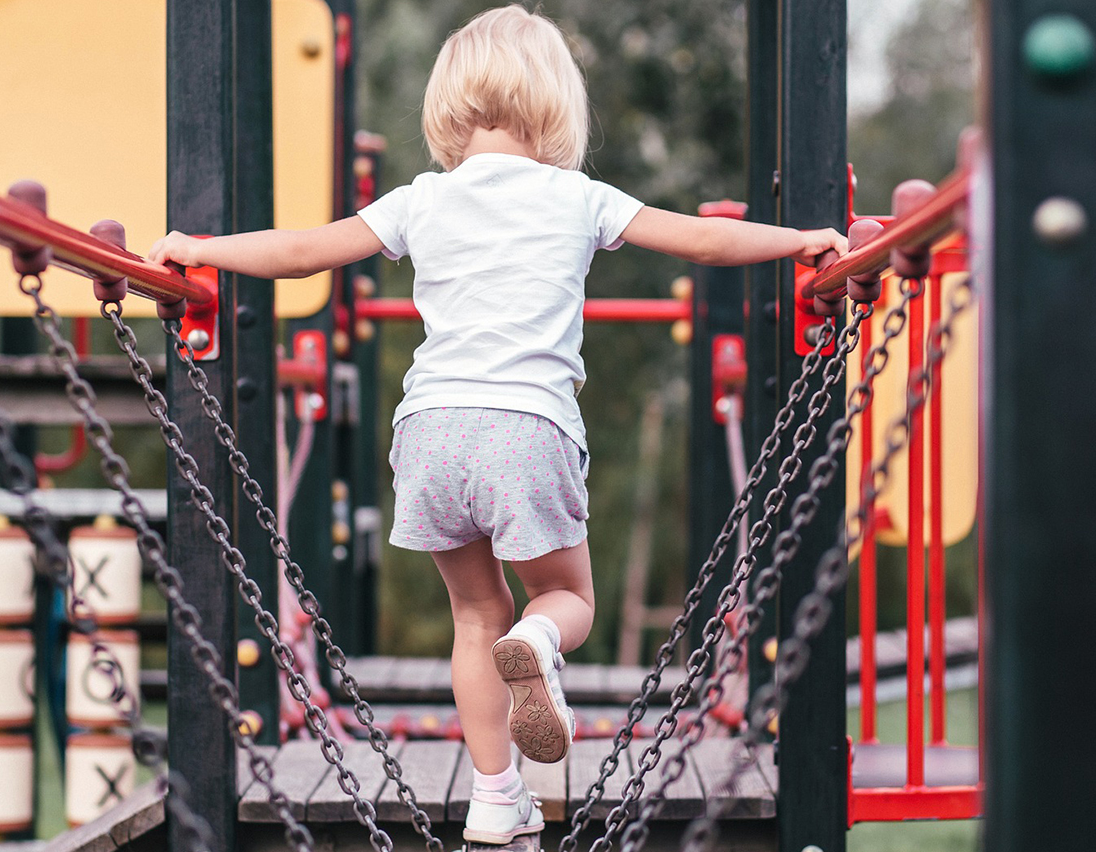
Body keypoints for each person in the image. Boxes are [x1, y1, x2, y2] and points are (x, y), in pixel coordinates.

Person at [148, 5, 846, 844]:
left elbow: (302, 251)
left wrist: (200, 248)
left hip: (431, 432)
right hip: (527, 427)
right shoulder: (577, 196)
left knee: (475, 617)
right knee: (564, 596)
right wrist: (800, 240)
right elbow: (701, 241)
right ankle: (542, 641)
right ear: (556, 106)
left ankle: (493, 798)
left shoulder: (421, 201)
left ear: (446, 107)